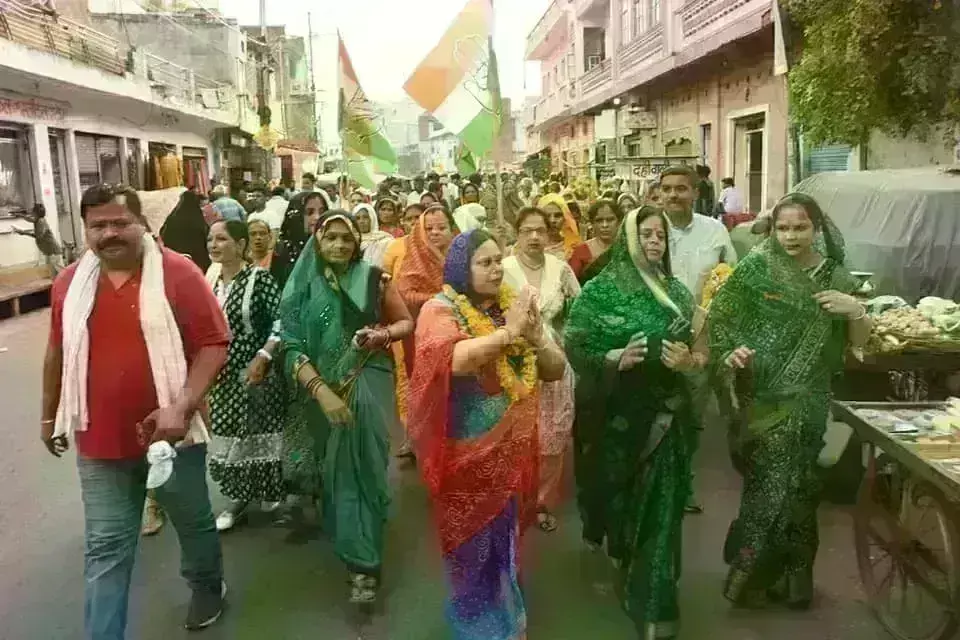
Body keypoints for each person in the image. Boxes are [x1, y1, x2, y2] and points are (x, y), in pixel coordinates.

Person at [41, 184, 229, 636]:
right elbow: (57, 351)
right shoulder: (69, 283)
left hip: (173, 437)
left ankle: (207, 587)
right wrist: (49, 416)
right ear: (84, 230)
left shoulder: (178, 273)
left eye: (120, 223)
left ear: (142, 224)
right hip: (99, 440)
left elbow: (214, 343)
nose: (109, 233)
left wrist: (181, 406)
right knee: (105, 546)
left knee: (193, 523)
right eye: (98, 225)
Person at [709, 193, 871, 609]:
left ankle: (794, 578)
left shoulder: (835, 277)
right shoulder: (755, 269)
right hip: (761, 399)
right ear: (773, 231)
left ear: (817, 229)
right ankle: (757, 576)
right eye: (783, 228)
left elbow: (859, 346)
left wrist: (855, 311)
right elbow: (722, 321)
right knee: (767, 487)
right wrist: (731, 354)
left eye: (800, 227)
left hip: (810, 399)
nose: (791, 236)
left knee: (801, 489)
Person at [408, 229, 568, 640]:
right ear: (462, 266)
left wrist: (536, 336)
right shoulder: (440, 309)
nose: (496, 270)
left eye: (499, 260)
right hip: (463, 459)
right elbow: (455, 359)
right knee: (470, 550)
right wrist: (509, 334)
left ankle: (507, 624)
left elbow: (554, 369)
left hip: (511, 458)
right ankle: (478, 630)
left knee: (506, 546)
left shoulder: (508, 308)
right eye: (485, 262)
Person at [565, 205, 707, 639]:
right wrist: (614, 358)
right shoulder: (600, 291)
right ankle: (624, 553)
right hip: (614, 419)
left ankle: (655, 602)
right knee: (620, 506)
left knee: (661, 510)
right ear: (629, 240)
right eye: (646, 234)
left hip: (666, 417)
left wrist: (689, 361)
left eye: (660, 235)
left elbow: (703, 349)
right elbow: (576, 345)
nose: (654, 241)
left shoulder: (677, 292)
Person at [279, 209, 413, 604]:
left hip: (367, 376)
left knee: (361, 466)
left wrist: (383, 334)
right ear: (318, 241)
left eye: (347, 238)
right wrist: (321, 390)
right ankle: (351, 528)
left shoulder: (374, 280)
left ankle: (363, 564)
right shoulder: (302, 286)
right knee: (334, 471)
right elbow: (290, 346)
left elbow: (405, 322)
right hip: (318, 387)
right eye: (331, 237)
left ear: (357, 243)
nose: (339, 245)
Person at [659, 164, 737, 514]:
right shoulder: (650, 228)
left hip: (699, 338)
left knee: (691, 414)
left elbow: (731, 279)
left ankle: (683, 485)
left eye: (681, 188)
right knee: (655, 414)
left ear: (695, 192)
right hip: (656, 334)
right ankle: (652, 487)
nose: (673, 195)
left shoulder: (715, 231)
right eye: (667, 189)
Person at [204, 221, 286, 532]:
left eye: (221, 239)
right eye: (210, 239)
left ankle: (253, 496)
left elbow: (280, 321)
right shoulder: (210, 282)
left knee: (256, 435)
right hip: (222, 378)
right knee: (228, 437)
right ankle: (238, 497)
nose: (213, 245)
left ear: (240, 245)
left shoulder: (259, 279)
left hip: (256, 374)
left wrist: (263, 356)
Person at [503, 207, 581, 533]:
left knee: (552, 435)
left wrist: (565, 340)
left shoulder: (560, 269)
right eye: (527, 231)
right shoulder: (503, 269)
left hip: (554, 359)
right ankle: (516, 501)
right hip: (513, 361)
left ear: (549, 234)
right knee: (518, 434)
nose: (534, 237)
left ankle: (543, 502)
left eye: (540, 231)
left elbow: (580, 310)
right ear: (517, 234)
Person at [270, 191, 330, 290]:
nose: (317, 217)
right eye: (309, 212)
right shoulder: (282, 250)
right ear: (296, 216)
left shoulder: (331, 246)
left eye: (322, 212)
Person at [568, 199, 623, 282]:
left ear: (619, 222)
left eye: (610, 220)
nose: (605, 225)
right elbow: (571, 283)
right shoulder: (581, 251)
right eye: (599, 220)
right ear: (592, 223)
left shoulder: (627, 248)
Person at [159, 190, 211, 273]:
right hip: (197, 261)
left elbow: (163, 235)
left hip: (176, 259)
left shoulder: (172, 218)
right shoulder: (198, 218)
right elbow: (206, 236)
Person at [13, 203, 63, 273]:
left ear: (36, 213)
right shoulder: (38, 219)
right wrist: (20, 215)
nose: (31, 213)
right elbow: (30, 219)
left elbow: (38, 236)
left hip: (53, 252)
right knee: (53, 273)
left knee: (57, 274)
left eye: (33, 212)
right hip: (49, 252)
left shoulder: (40, 221)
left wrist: (24, 233)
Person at [537, 193, 581, 260]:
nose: (552, 220)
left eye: (557, 215)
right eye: (546, 216)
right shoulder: (528, 246)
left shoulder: (575, 245)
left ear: (565, 218)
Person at [354, 203, 394, 267]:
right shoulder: (351, 239)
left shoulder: (385, 239)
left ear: (372, 218)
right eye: (357, 218)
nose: (361, 221)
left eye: (365, 217)